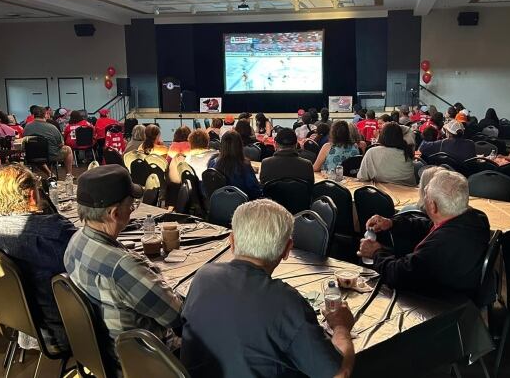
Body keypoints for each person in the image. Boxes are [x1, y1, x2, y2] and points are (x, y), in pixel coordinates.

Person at [181, 199, 355, 378]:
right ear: (287, 249)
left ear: (231, 241)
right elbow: (340, 375)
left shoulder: (202, 277)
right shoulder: (286, 303)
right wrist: (341, 327)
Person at [65, 165, 181, 371]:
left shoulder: (75, 241)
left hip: (102, 353)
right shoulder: (122, 267)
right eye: (131, 204)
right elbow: (177, 316)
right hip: (143, 363)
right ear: (115, 213)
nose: (132, 209)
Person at [0, 165, 76, 351]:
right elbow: (85, 267)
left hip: (19, 323)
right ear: (32, 194)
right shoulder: (56, 230)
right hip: (65, 326)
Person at [358, 170, 490, 301]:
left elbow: (399, 276)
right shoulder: (474, 218)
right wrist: (392, 223)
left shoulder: (441, 244)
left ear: (433, 207)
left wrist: (376, 253)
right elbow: (427, 227)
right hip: (461, 289)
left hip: (441, 304)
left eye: (425, 194)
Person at [24, 105, 74, 178]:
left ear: (33, 115)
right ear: (45, 115)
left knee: (38, 156)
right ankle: (69, 175)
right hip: (51, 155)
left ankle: (50, 174)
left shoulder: (27, 127)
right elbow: (61, 144)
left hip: (32, 155)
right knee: (68, 149)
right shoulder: (52, 127)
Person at [210, 131, 261, 200]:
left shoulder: (212, 163)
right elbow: (255, 191)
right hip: (242, 206)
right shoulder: (244, 166)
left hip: (217, 204)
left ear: (222, 145)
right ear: (240, 146)